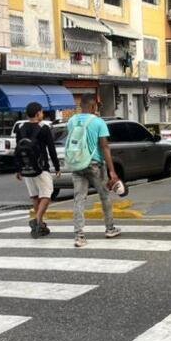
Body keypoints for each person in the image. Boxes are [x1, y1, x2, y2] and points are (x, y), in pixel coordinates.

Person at [64, 93, 121, 248]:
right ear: (93, 106)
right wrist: (112, 171)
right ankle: (110, 228)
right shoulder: (98, 122)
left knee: (79, 199)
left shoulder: (71, 121)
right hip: (95, 165)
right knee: (104, 196)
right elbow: (105, 147)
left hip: (77, 165)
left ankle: (79, 236)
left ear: (80, 105)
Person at [14, 102, 60, 238]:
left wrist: (18, 169)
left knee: (35, 196)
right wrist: (57, 167)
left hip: (26, 168)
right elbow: (51, 149)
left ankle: (40, 225)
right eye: (42, 112)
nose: (42, 114)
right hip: (41, 167)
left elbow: (17, 150)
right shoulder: (44, 128)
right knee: (47, 194)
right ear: (38, 113)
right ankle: (38, 220)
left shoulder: (20, 128)